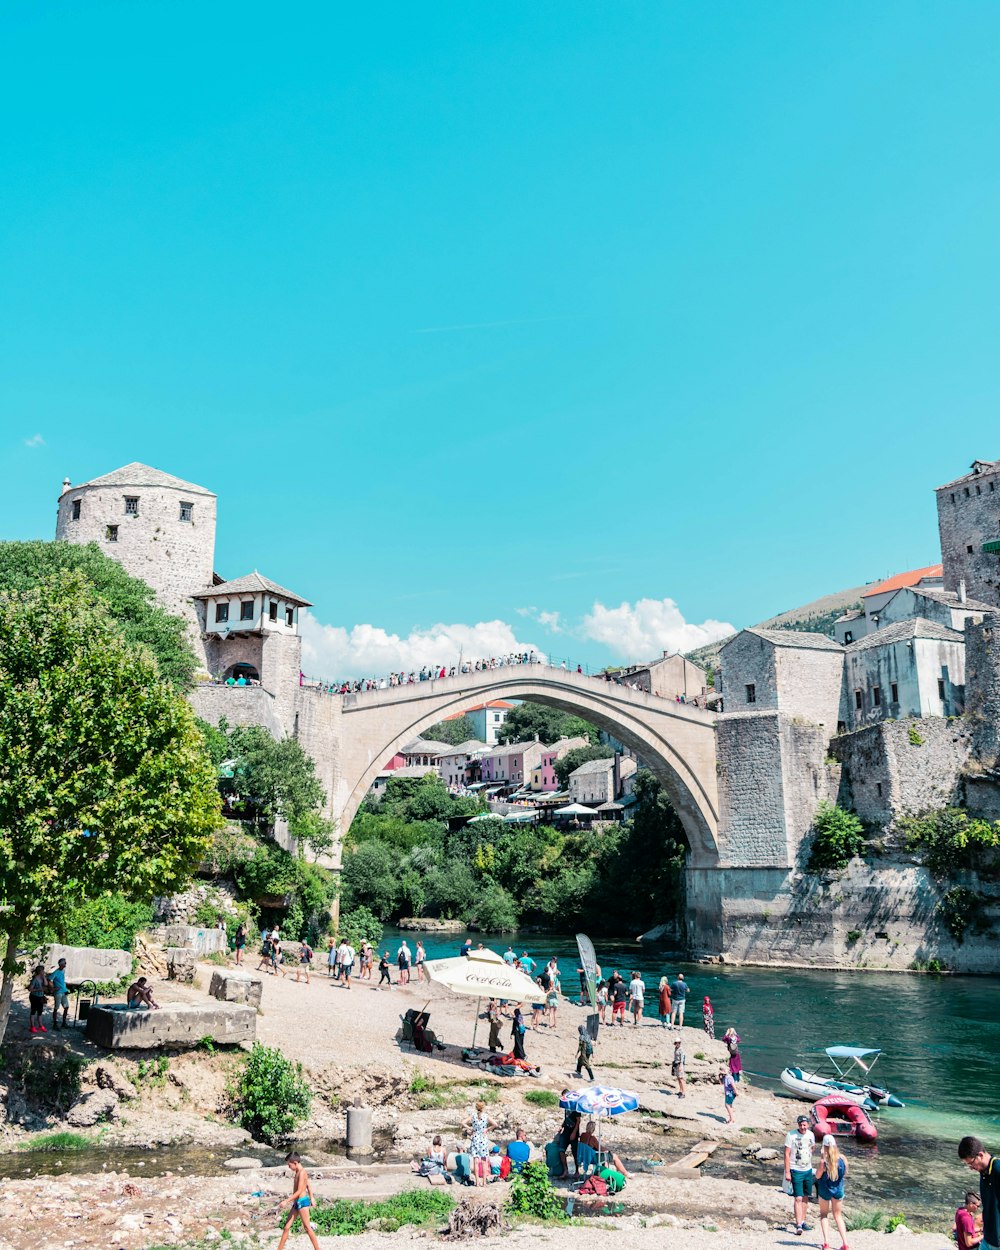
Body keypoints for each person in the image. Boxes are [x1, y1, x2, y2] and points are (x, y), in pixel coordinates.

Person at [959, 1137, 1000, 1250]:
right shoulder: (984, 1172)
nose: (971, 1168)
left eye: (971, 1163)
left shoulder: (998, 1170)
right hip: (987, 1239)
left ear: (980, 1155)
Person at [276, 1152, 321, 1250]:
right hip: (297, 1203)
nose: (289, 1167)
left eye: (289, 1165)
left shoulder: (302, 1172)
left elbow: (300, 1190)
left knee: (307, 1228)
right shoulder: (297, 1171)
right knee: (287, 1227)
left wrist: (286, 1201)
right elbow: (308, 1184)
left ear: (295, 1162)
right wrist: (312, 1197)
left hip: (302, 1202)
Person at [784, 1113, 817, 1236]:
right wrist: (787, 1171)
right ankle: (798, 1225)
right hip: (795, 1169)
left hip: (807, 1169)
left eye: (804, 1125)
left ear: (808, 1125)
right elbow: (786, 1154)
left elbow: (812, 1148)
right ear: (798, 1125)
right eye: (800, 1125)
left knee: (805, 1197)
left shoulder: (811, 1135)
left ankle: (802, 1221)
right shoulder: (791, 1135)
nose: (803, 1127)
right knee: (798, 1197)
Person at [816, 1133, 849, 1250]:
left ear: (824, 1147)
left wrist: (821, 1158)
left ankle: (826, 1243)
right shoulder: (843, 1159)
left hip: (825, 1190)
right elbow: (845, 1173)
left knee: (824, 1215)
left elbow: (818, 1176)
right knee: (838, 1216)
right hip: (838, 1190)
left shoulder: (823, 1162)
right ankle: (845, 1243)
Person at [464, 1099, 498, 1186]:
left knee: (475, 1161)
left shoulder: (473, 1115)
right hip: (483, 1139)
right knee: (484, 1161)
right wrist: (488, 1129)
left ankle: (477, 1183)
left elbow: (463, 1122)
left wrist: (470, 1128)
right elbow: (495, 1124)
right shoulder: (486, 1116)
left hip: (475, 1138)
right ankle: (484, 1182)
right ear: (483, 1107)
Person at [49, 957, 70, 1030]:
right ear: (61, 964)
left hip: (63, 991)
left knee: (66, 1007)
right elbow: (49, 979)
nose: (65, 964)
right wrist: (53, 988)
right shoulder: (56, 972)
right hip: (58, 992)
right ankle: (55, 1024)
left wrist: (65, 988)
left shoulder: (63, 971)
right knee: (56, 1008)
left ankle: (64, 1023)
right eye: (64, 963)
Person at [28, 965, 48, 1034]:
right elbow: (30, 989)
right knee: (33, 1011)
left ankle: (40, 1025)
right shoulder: (35, 979)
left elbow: (46, 984)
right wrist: (39, 989)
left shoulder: (42, 978)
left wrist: (44, 977)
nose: (44, 972)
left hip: (40, 997)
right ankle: (32, 1026)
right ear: (40, 971)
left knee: (40, 1012)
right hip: (34, 997)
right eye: (42, 970)